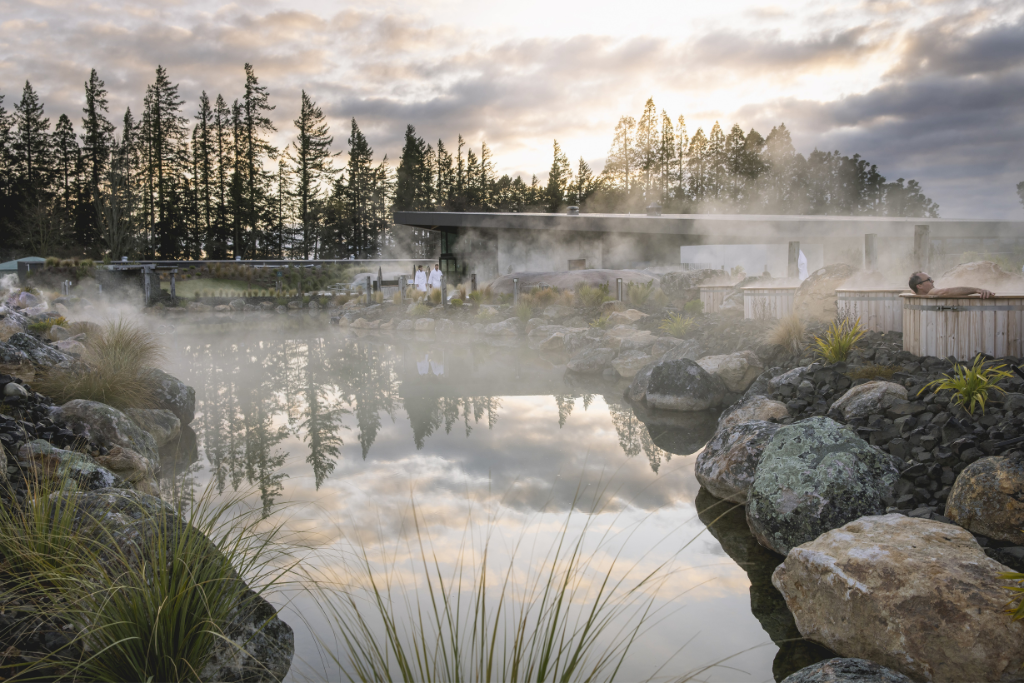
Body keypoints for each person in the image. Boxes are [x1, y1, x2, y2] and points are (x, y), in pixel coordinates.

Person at [908, 271, 995, 298]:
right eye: (929, 279)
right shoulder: (932, 292)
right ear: (919, 286)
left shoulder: (917, 293)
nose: (933, 281)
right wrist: (977, 290)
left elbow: (912, 290)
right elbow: (945, 291)